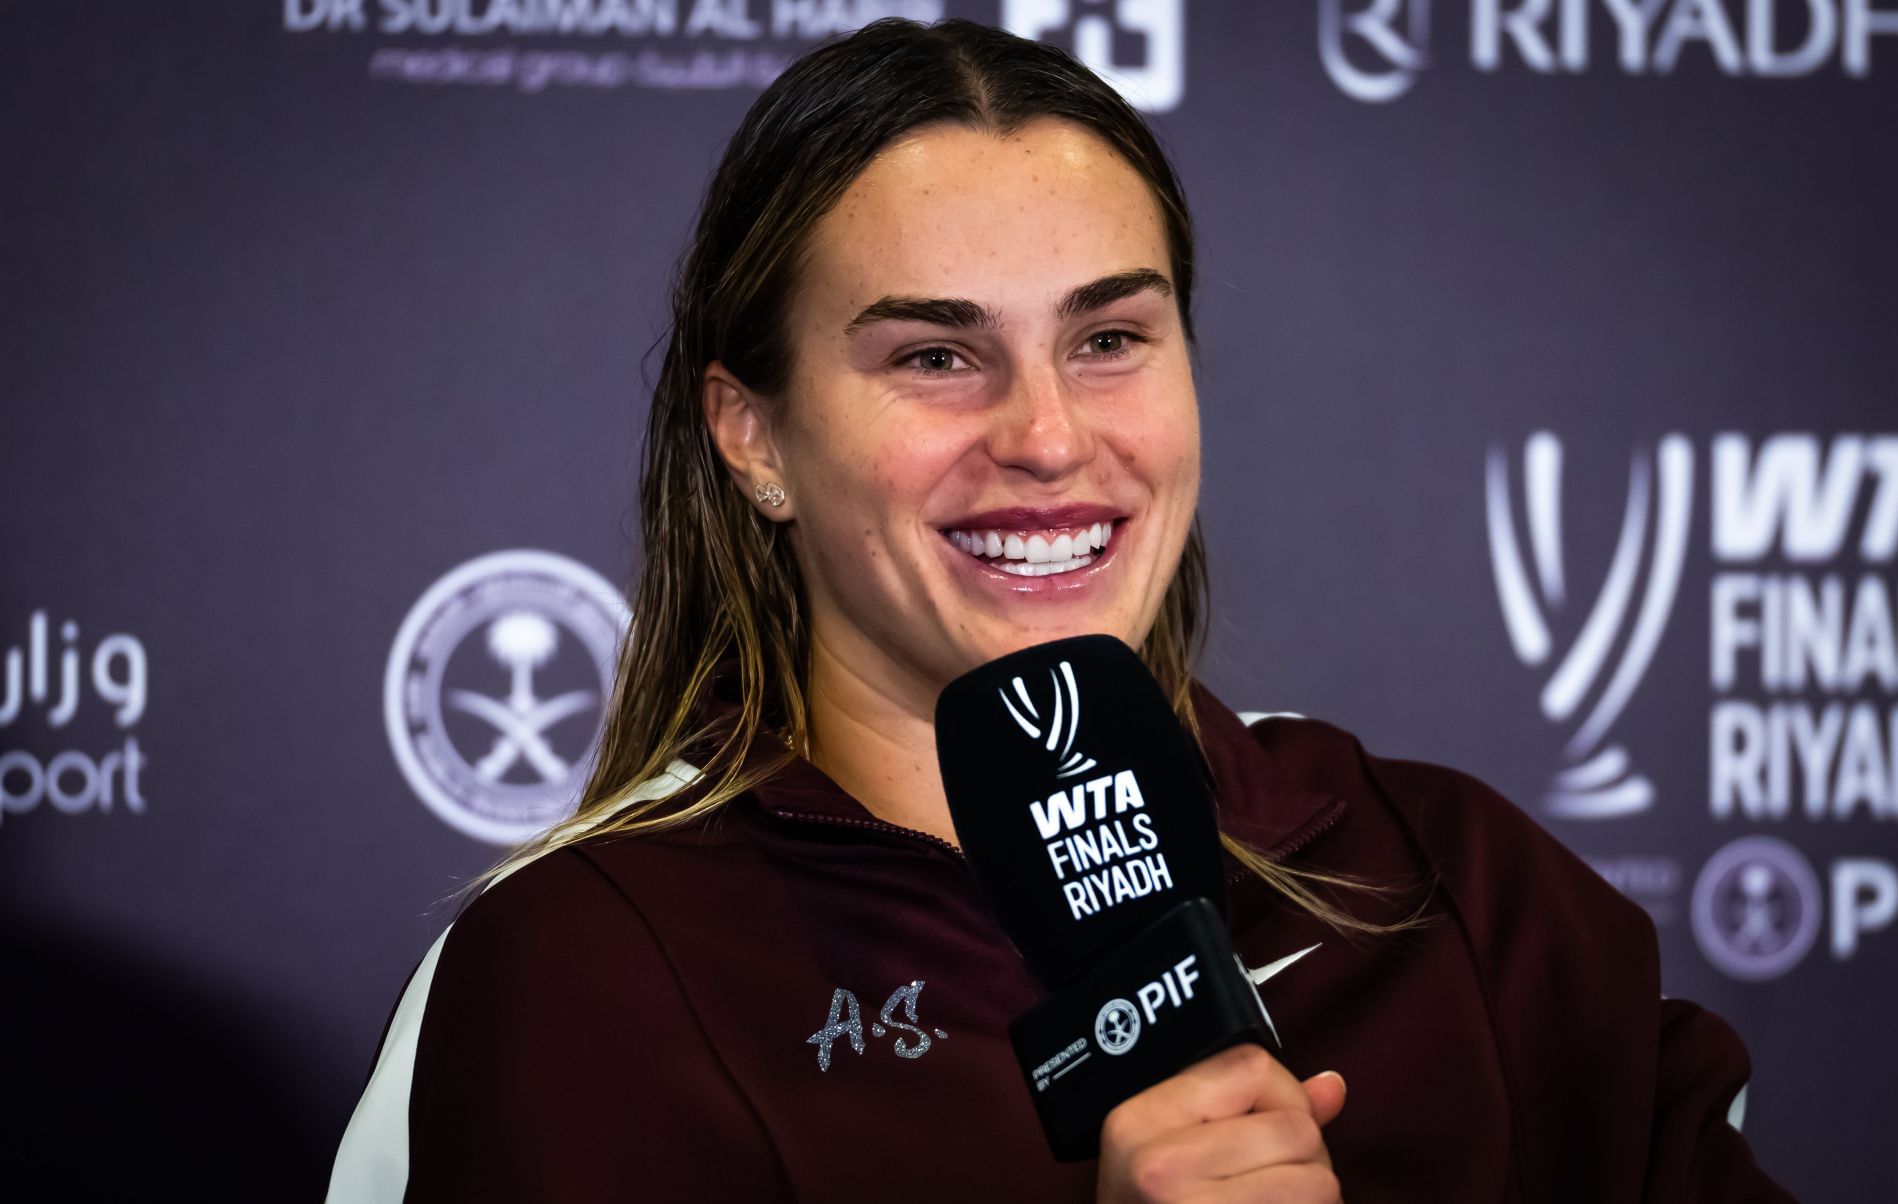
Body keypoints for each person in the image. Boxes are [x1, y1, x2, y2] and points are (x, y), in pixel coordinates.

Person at [329, 18, 1795, 1203]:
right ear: (753, 436)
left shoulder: (1459, 890)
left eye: (1108, 338)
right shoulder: (587, 971)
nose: (1045, 438)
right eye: (933, 356)